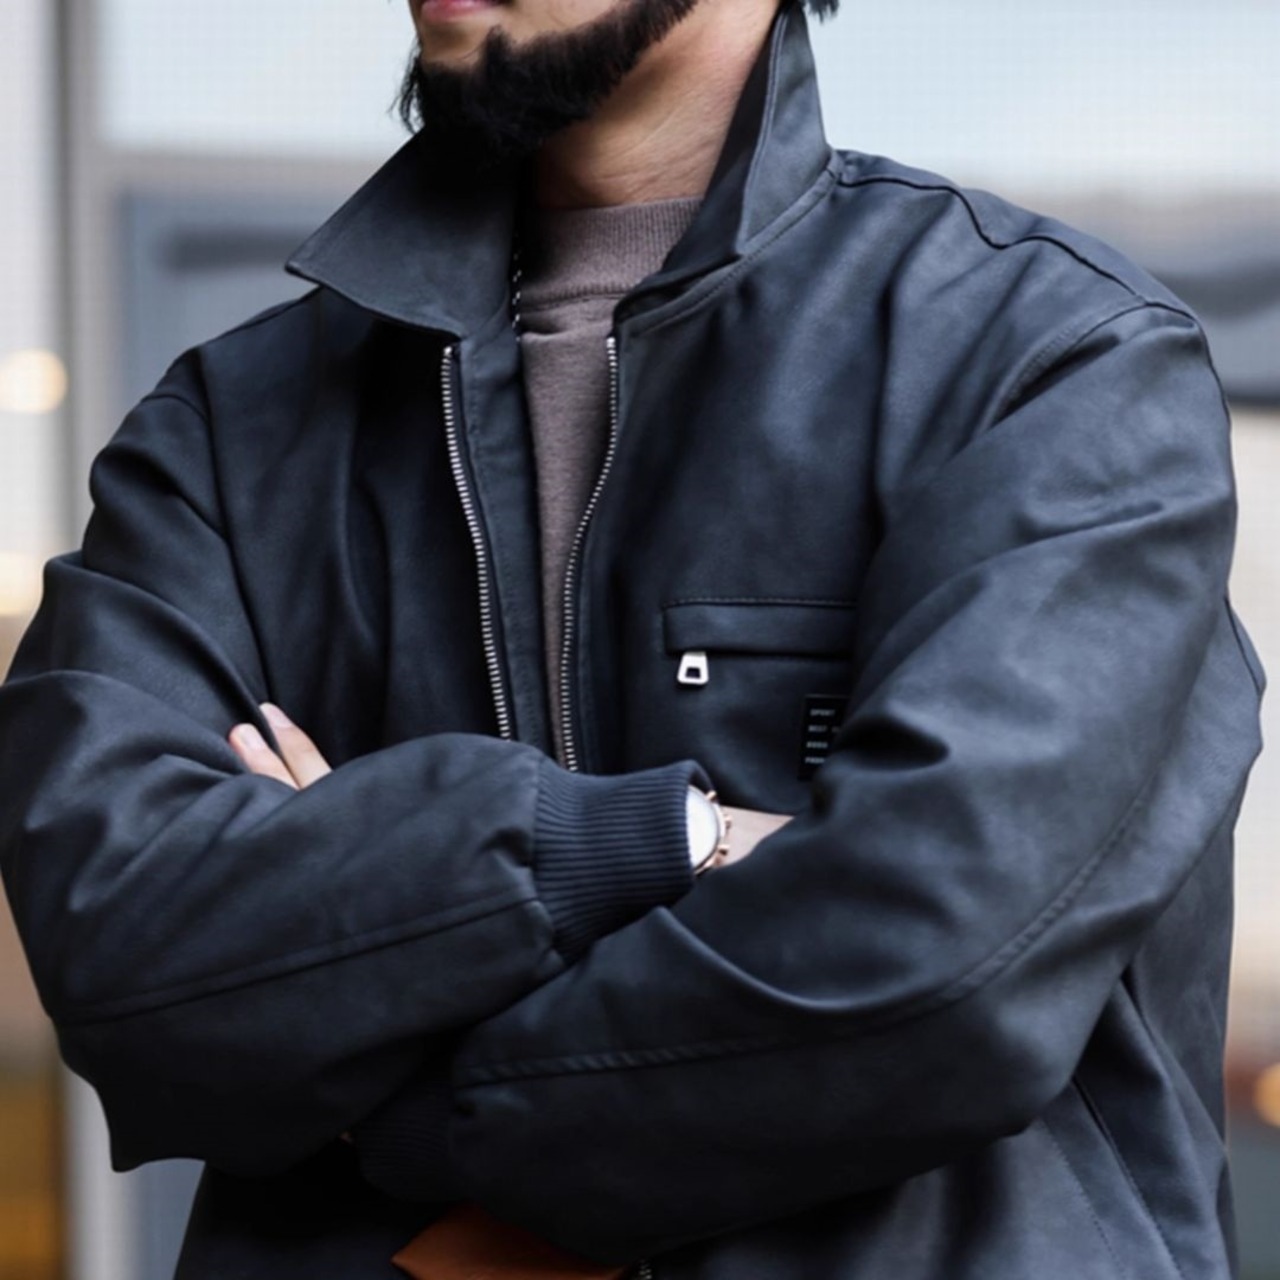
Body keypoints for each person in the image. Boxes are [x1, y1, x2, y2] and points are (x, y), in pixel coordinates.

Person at [0, 0, 1266, 1274]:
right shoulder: (227, 433)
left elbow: (933, 965)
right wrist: (655, 840)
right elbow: (126, 954)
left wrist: (397, 1080)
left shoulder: (1049, 364)